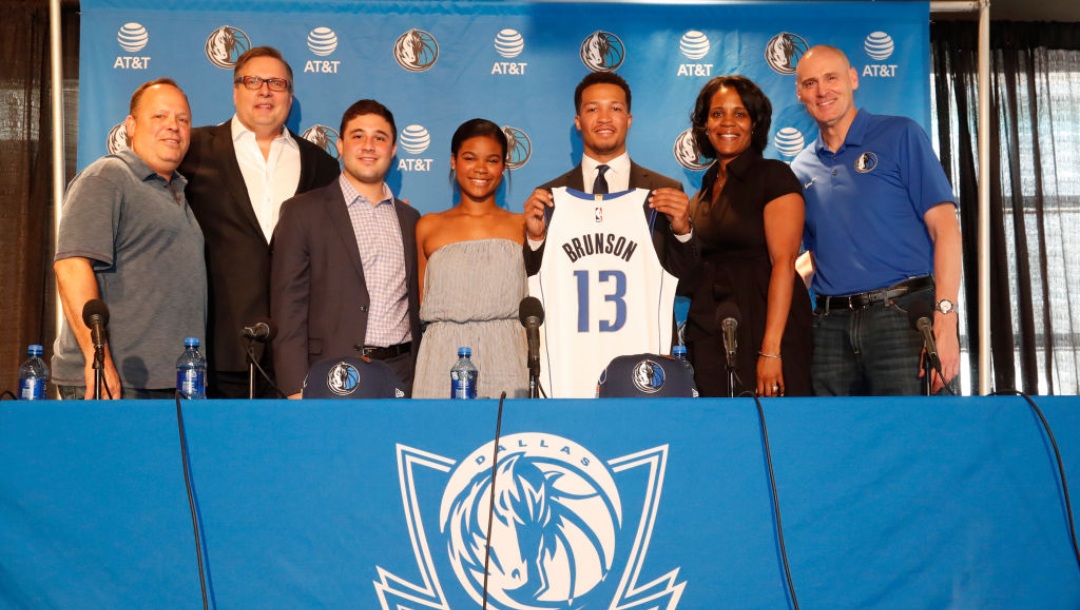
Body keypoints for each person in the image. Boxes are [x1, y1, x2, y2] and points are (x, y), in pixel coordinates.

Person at [791, 45, 962, 395]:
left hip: (902, 317)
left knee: (913, 427)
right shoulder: (800, 168)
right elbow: (816, 255)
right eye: (810, 83)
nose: (822, 91)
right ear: (799, 93)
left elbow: (945, 229)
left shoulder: (900, 135)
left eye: (831, 78)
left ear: (853, 79)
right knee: (835, 430)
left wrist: (946, 319)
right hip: (830, 328)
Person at [521, 71, 698, 398]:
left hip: (644, 364)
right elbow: (534, 284)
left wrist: (683, 230)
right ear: (578, 121)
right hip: (571, 360)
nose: (604, 118)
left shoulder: (664, 192)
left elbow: (686, 280)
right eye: (592, 109)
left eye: (614, 108)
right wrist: (535, 241)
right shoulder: (548, 197)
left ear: (629, 119)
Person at [180, 46, 340, 398]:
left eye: (276, 83)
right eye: (253, 81)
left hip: (296, 357)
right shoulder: (193, 150)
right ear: (235, 91)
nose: (265, 91)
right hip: (217, 349)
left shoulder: (322, 166)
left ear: (290, 96)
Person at [52, 78, 206, 399]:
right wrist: (99, 362)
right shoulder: (108, 177)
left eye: (182, 120)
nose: (173, 126)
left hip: (172, 383)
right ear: (131, 126)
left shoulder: (178, 190)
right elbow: (71, 267)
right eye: (159, 116)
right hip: (116, 382)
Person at [270, 99, 421, 398]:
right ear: (340, 145)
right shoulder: (302, 212)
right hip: (328, 377)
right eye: (358, 136)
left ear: (393, 150)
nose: (368, 146)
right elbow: (288, 308)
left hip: (400, 377)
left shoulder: (411, 219)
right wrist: (295, 387)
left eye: (379, 138)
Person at [680, 76, 812, 398]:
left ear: (755, 124)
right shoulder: (701, 195)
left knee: (778, 424)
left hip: (767, 327)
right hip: (713, 332)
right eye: (717, 114)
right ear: (704, 124)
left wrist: (771, 351)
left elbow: (784, 264)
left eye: (740, 114)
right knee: (721, 426)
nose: (728, 122)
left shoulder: (774, 176)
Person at [412, 119, 528, 399]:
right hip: (440, 360)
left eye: (492, 160)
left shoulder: (523, 226)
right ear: (453, 161)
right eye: (469, 158)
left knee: (508, 427)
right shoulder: (427, 226)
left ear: (503, 166)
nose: (481, 168)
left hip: (508, 359)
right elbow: (421, 303)